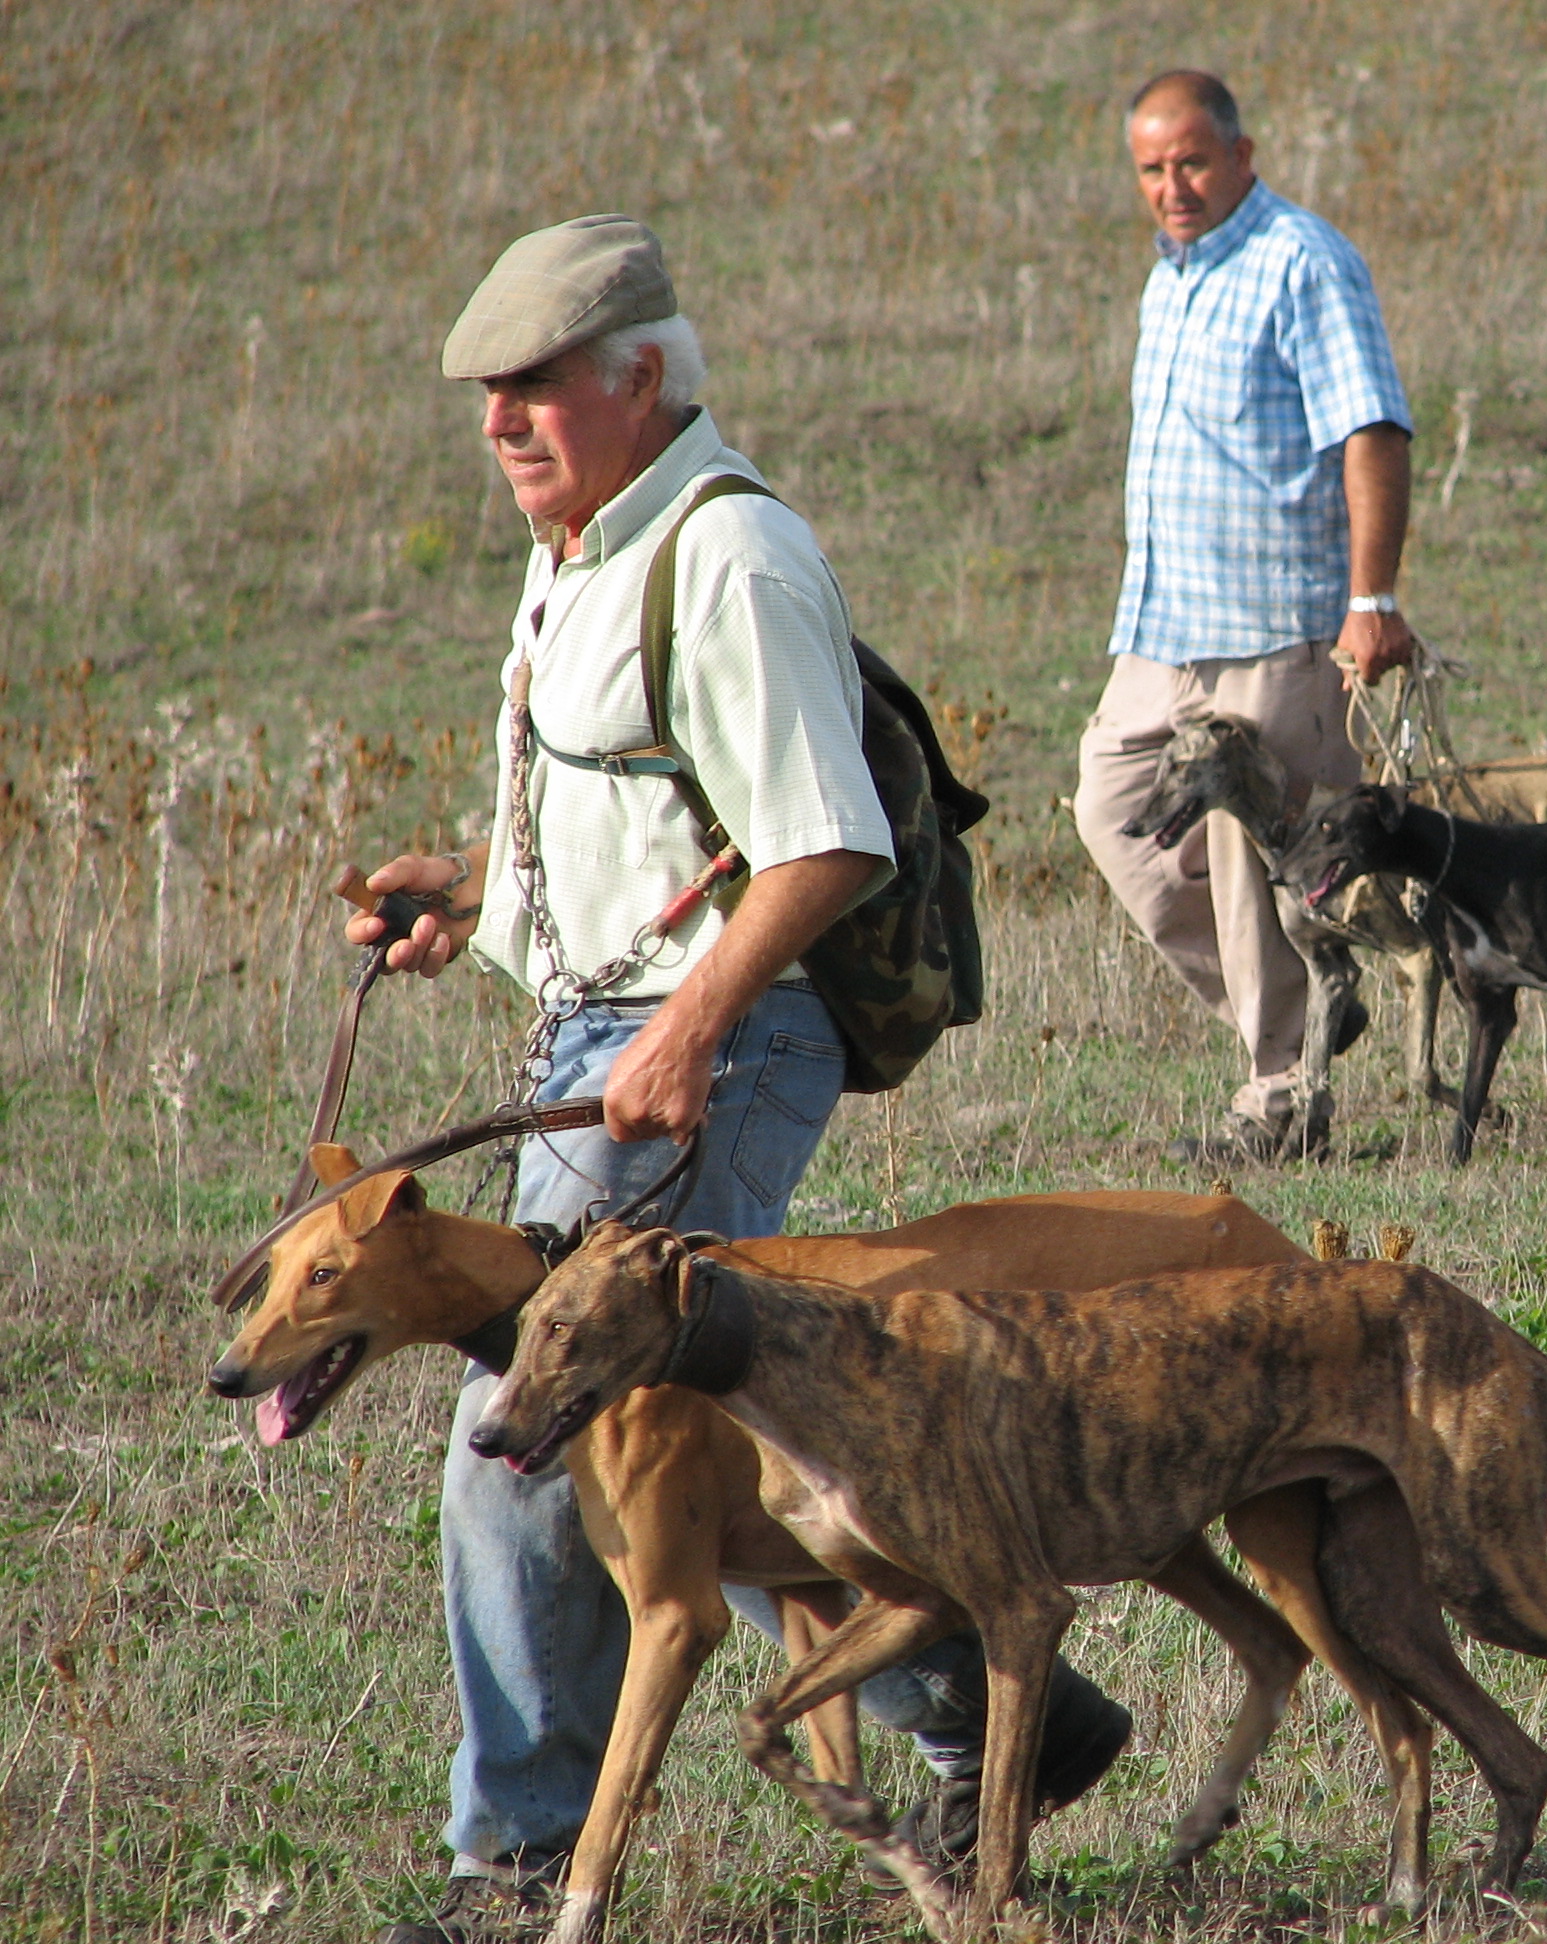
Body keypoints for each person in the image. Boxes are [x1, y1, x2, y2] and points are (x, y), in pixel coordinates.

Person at [356, 215, 1130, 1944]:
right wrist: (473, 892)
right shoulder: (579, 550)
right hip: (615, 1037)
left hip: (706, 1050)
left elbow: (824, 841)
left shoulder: (728, 556)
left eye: (537, 384)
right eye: (490, 393)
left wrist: (688, 1030)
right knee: (744, 1436)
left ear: (642, 377)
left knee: (530, 1446)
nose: (503, 420)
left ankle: (513, 1867)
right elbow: (652, 815)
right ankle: (997, 1693)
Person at [1072, 70, 1419, 1163]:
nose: (1172, 186)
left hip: (1277, 624)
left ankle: (1278, 1097)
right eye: (1151, 169)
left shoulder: (1302, 262)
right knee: (1110, 811)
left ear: (1244, 154)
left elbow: (1374, 433)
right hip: (1161, 627)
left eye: (1192, 162)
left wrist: (1372, 601)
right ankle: (1317, 1002)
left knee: (1243, 857)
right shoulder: (1168, 278)